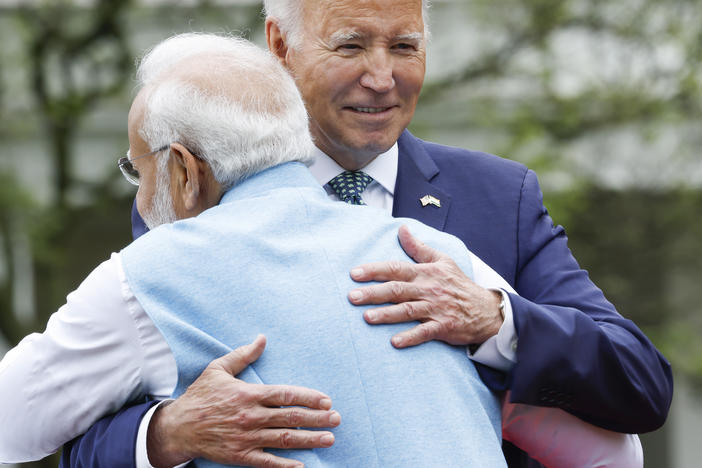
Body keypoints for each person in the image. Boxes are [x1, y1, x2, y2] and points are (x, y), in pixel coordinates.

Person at [64, 0, 672, 466]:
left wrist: (496, 321)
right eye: (351, 45)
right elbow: (80, 432)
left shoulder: (498, 198)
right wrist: (168, 433)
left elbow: (640, 384)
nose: (382, 78)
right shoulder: (192, 195)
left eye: (404, 46)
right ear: (279, 45)